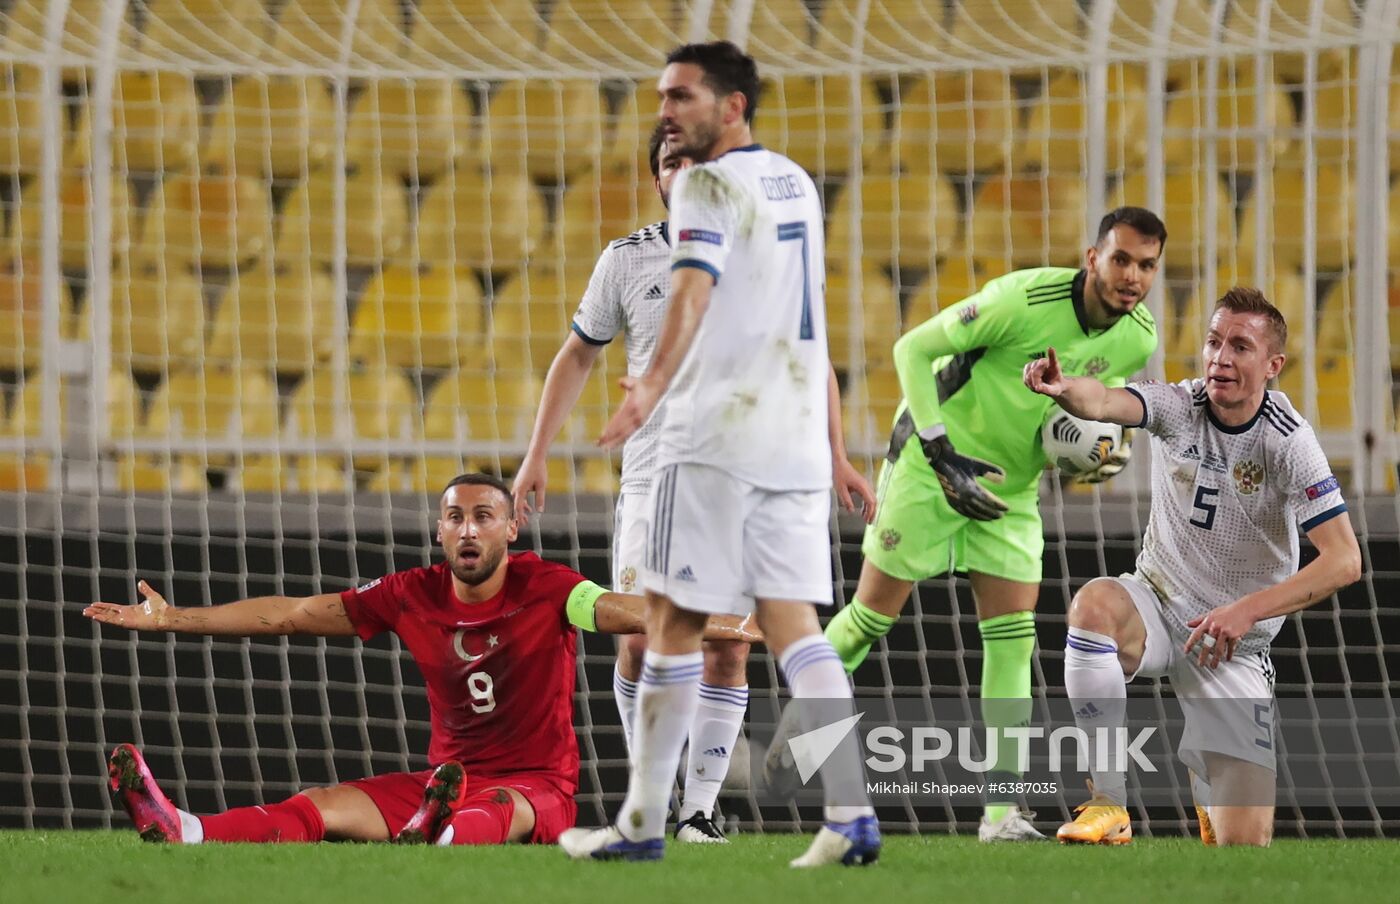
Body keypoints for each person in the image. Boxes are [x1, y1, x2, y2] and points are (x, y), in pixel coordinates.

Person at [557, 41, 879, 868]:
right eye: (662, 97)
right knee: (794, 630)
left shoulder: (704, 183)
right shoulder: (795, 181)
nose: (665, 110)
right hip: (792, 439)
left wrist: (648, 386)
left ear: (732, 106)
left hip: (717, 438)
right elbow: (805, 314)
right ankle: (850, 816)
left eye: (682, 97)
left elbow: (693, 287)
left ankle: (642, 825)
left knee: (668, 624)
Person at [84, 473, 759, 847]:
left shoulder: (549, 586)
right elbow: (289, 613)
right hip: (443, 782)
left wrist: (729, 625)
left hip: (536, 790)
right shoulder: (409, 595)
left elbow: (629, 610)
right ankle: (188, 829)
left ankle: (434, 834)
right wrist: (174, 618)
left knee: (489, 811)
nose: (469, 529)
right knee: (321, 805)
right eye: (456, 517)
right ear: (438, 530)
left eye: (484, 516)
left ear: (509, 528)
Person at [814, 207, 1167, 842]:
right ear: (1093, 257)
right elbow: (911, 349)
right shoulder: (1021, 299)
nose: (1132, 276)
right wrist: (942, 451)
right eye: (1121, 260)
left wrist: (1095, 456)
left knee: (1012, 642)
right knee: (871, 618)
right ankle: (799, 717)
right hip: (931, 463)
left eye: (1146, 265)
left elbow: (1084, 418)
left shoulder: (1138, 337)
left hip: (1012, 488)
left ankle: (1001, 814)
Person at [1022, 286, 1362, 846]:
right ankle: (1107, 803)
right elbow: (1107, 402)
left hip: (1234, 647)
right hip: (1157, 602)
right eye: (1212, 341)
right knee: (1093, 607)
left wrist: (1244, 613)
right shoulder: (1182, 405)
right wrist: (1065, 392)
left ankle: (1209, 790)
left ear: (1273, 364)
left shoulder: (1288, 441)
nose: (1220, 358)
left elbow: (1344, 559)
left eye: (1240, 347)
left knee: (1242, 850)